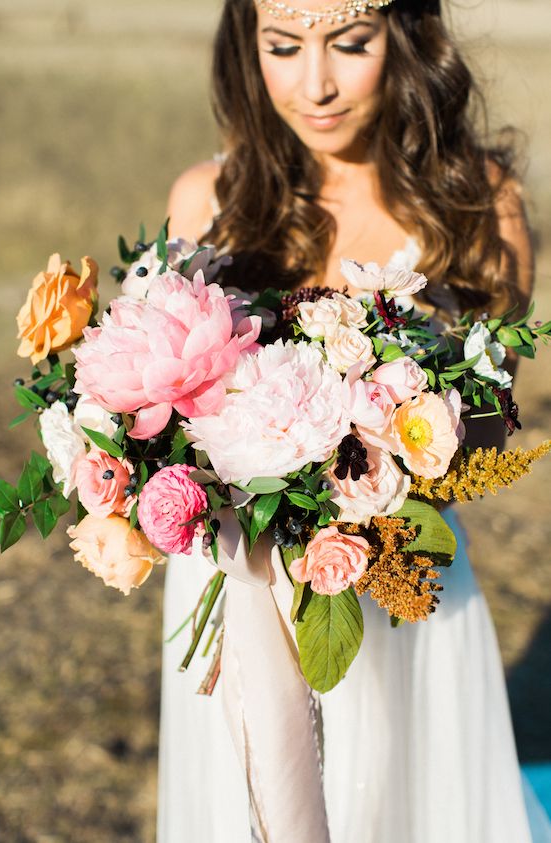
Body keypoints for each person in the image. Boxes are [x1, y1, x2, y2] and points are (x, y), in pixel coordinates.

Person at [157, 1, 551, 841]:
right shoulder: (207, 200)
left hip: (398, 590)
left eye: (351, 43)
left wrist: (363, 441)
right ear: (247, 43)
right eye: (284, 46)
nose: (316, 84)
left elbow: (484, 432)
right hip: (237, 588)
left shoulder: (479, 202)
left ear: (406, 41)